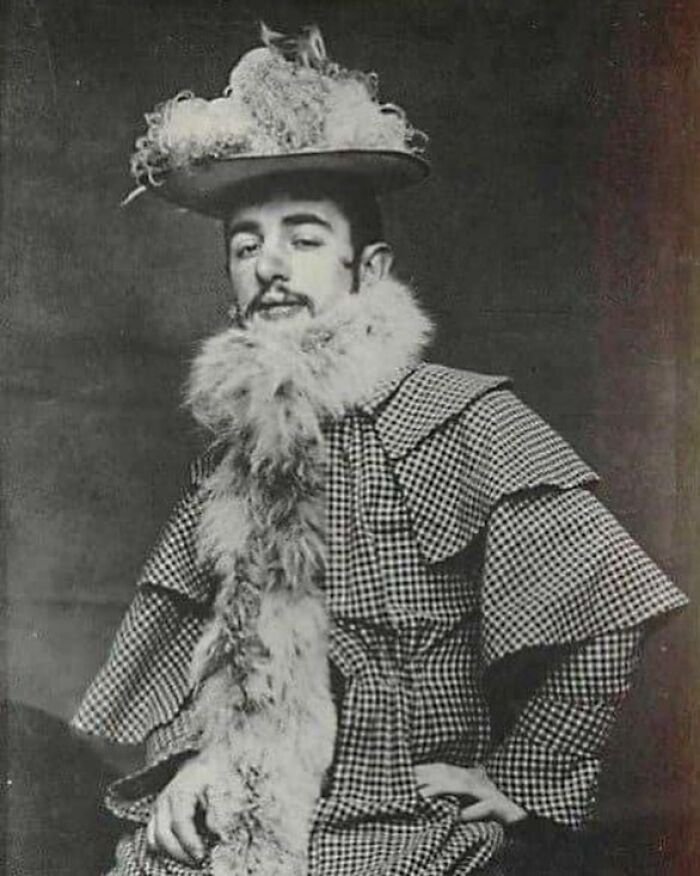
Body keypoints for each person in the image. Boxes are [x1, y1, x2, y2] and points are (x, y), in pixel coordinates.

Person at [72, 24, 688, 876]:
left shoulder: (461, 417)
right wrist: (190, 766)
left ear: (368, 269)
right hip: (247, 809)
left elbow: (611, 606)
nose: (269, 266)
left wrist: (523, 776)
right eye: (246, 246)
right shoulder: (232, 459)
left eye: (304, 239)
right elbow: (195, 653)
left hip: (402, 819)